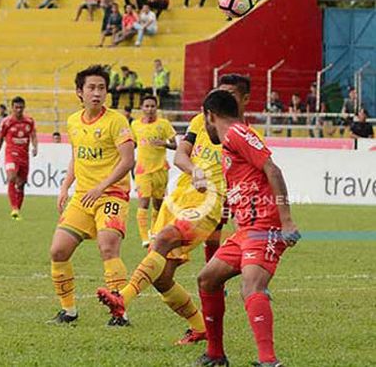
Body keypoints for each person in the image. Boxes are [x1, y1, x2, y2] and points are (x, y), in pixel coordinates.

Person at [96, 75, 260, 347]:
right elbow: (181, 154)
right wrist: (194, 169)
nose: (221, 101)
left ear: (244, 100)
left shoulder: (249, 136)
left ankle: (122, 298)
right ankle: (199, 327)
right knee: (162, 277)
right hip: (179, 196)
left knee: (163, 240)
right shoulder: (200, 122)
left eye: (229, 95)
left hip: (210, 201)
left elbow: (252, 176)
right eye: (219, 93)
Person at [194, 89, 299, 367]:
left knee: (251, 285)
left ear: (210, 115)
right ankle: (215, 355)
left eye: (205, 121)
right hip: (245, 229)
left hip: (264, 225)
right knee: (207, 279)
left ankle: (269, 361)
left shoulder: (237, 133)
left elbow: (273, 170)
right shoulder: (231, 141)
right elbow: (245, 180)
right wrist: (230, 208)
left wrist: (286, 220)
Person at [49, 65, 135, 326]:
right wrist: (65, 187)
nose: (97, 93)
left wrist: (102, 186)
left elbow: (128, 160)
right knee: (58, 251)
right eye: (91, 88)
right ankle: (69, 311)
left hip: (112, 195)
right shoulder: (73, 121)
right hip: (83, 197)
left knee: (108, 247)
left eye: (101, 88)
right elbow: (77, 157)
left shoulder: (117, 121)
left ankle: (120, 313)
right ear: (79, 92)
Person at [128, 95, 176, 247]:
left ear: (157, 108)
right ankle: (144, 238)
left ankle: (154, 232)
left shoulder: (164, 124)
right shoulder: (135, 125)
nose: (149, 109)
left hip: (160, 169)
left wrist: (164, 144)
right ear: (141, 108)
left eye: (152, 106)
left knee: (158, 204)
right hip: (142, 170)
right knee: (144, 202)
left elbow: (175, 145)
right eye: (146, 106)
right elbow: (132, 144)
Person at [0, 97, 38, 220]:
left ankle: (17, 210)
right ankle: (14, 208)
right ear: (12, 108)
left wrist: (35, 147)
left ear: (24, 107)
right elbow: (0, 139)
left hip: (24, 156)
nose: (18, 110)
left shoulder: (29, 121)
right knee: (11, 177)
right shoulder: (7, 122)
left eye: (21, 107)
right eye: (16, 107)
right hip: (11, 154)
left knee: (21, 184)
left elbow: (33, 135)